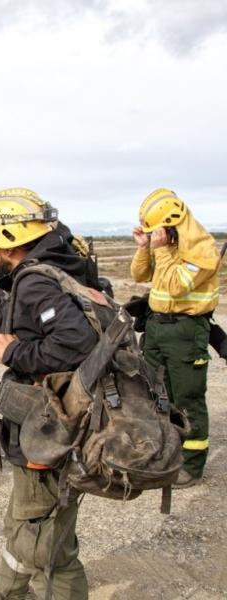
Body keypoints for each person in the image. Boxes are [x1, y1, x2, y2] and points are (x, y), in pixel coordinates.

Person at [0, 188, 98, 600]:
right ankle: (7, 592)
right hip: (53, 422)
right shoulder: (62, 262)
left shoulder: (37, 282)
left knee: (46, 539)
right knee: (24, 519)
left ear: (8, 239)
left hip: (48, 429)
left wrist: (12, 351)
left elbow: (78, 341)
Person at [130, 188, 220, 488]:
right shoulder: (166, 246)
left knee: (187, 398)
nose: (154, 235)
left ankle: (192, 465)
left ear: (171, 225)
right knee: (158, 394)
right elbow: (140, 275)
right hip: (157, 328)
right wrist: (145, 248)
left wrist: (162, 250)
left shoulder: (202, 251)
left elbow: (175, 285)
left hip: (185, 331)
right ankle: (166, 453)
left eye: (157, 231)